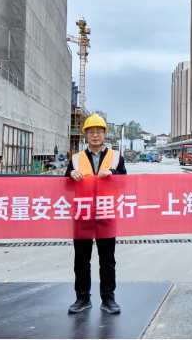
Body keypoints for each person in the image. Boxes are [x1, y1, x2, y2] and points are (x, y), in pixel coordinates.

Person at [65, 114, 126, 314]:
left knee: (107, 259)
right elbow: (65, 186)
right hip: (82, 214)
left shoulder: (116, 158)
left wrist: (113, 174)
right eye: (91, 132)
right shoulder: (76, 159)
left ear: (105, 134)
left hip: (106, 213)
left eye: (99, 132)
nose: (95, 135)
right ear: (85, 135)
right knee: (81, 259)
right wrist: (70, 175)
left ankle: (108, 298)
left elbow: (125, 183)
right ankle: (82, 298)